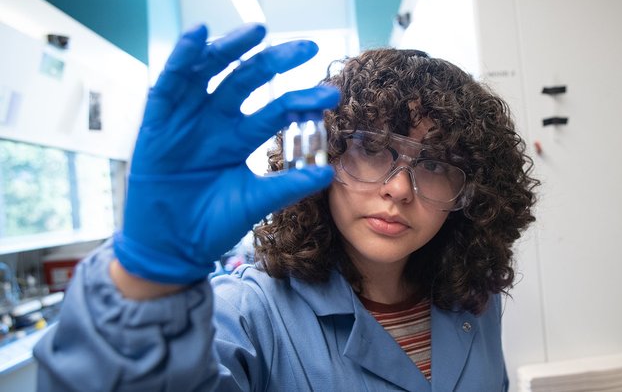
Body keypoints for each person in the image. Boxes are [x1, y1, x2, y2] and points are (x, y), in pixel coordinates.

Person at [33, 22, 537, 391]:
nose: (399, 189)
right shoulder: (246, 315)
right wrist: (147, 277)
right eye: (373, 149)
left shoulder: (472, 304)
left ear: (470, 194)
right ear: (325, 154)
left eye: (436, 164)